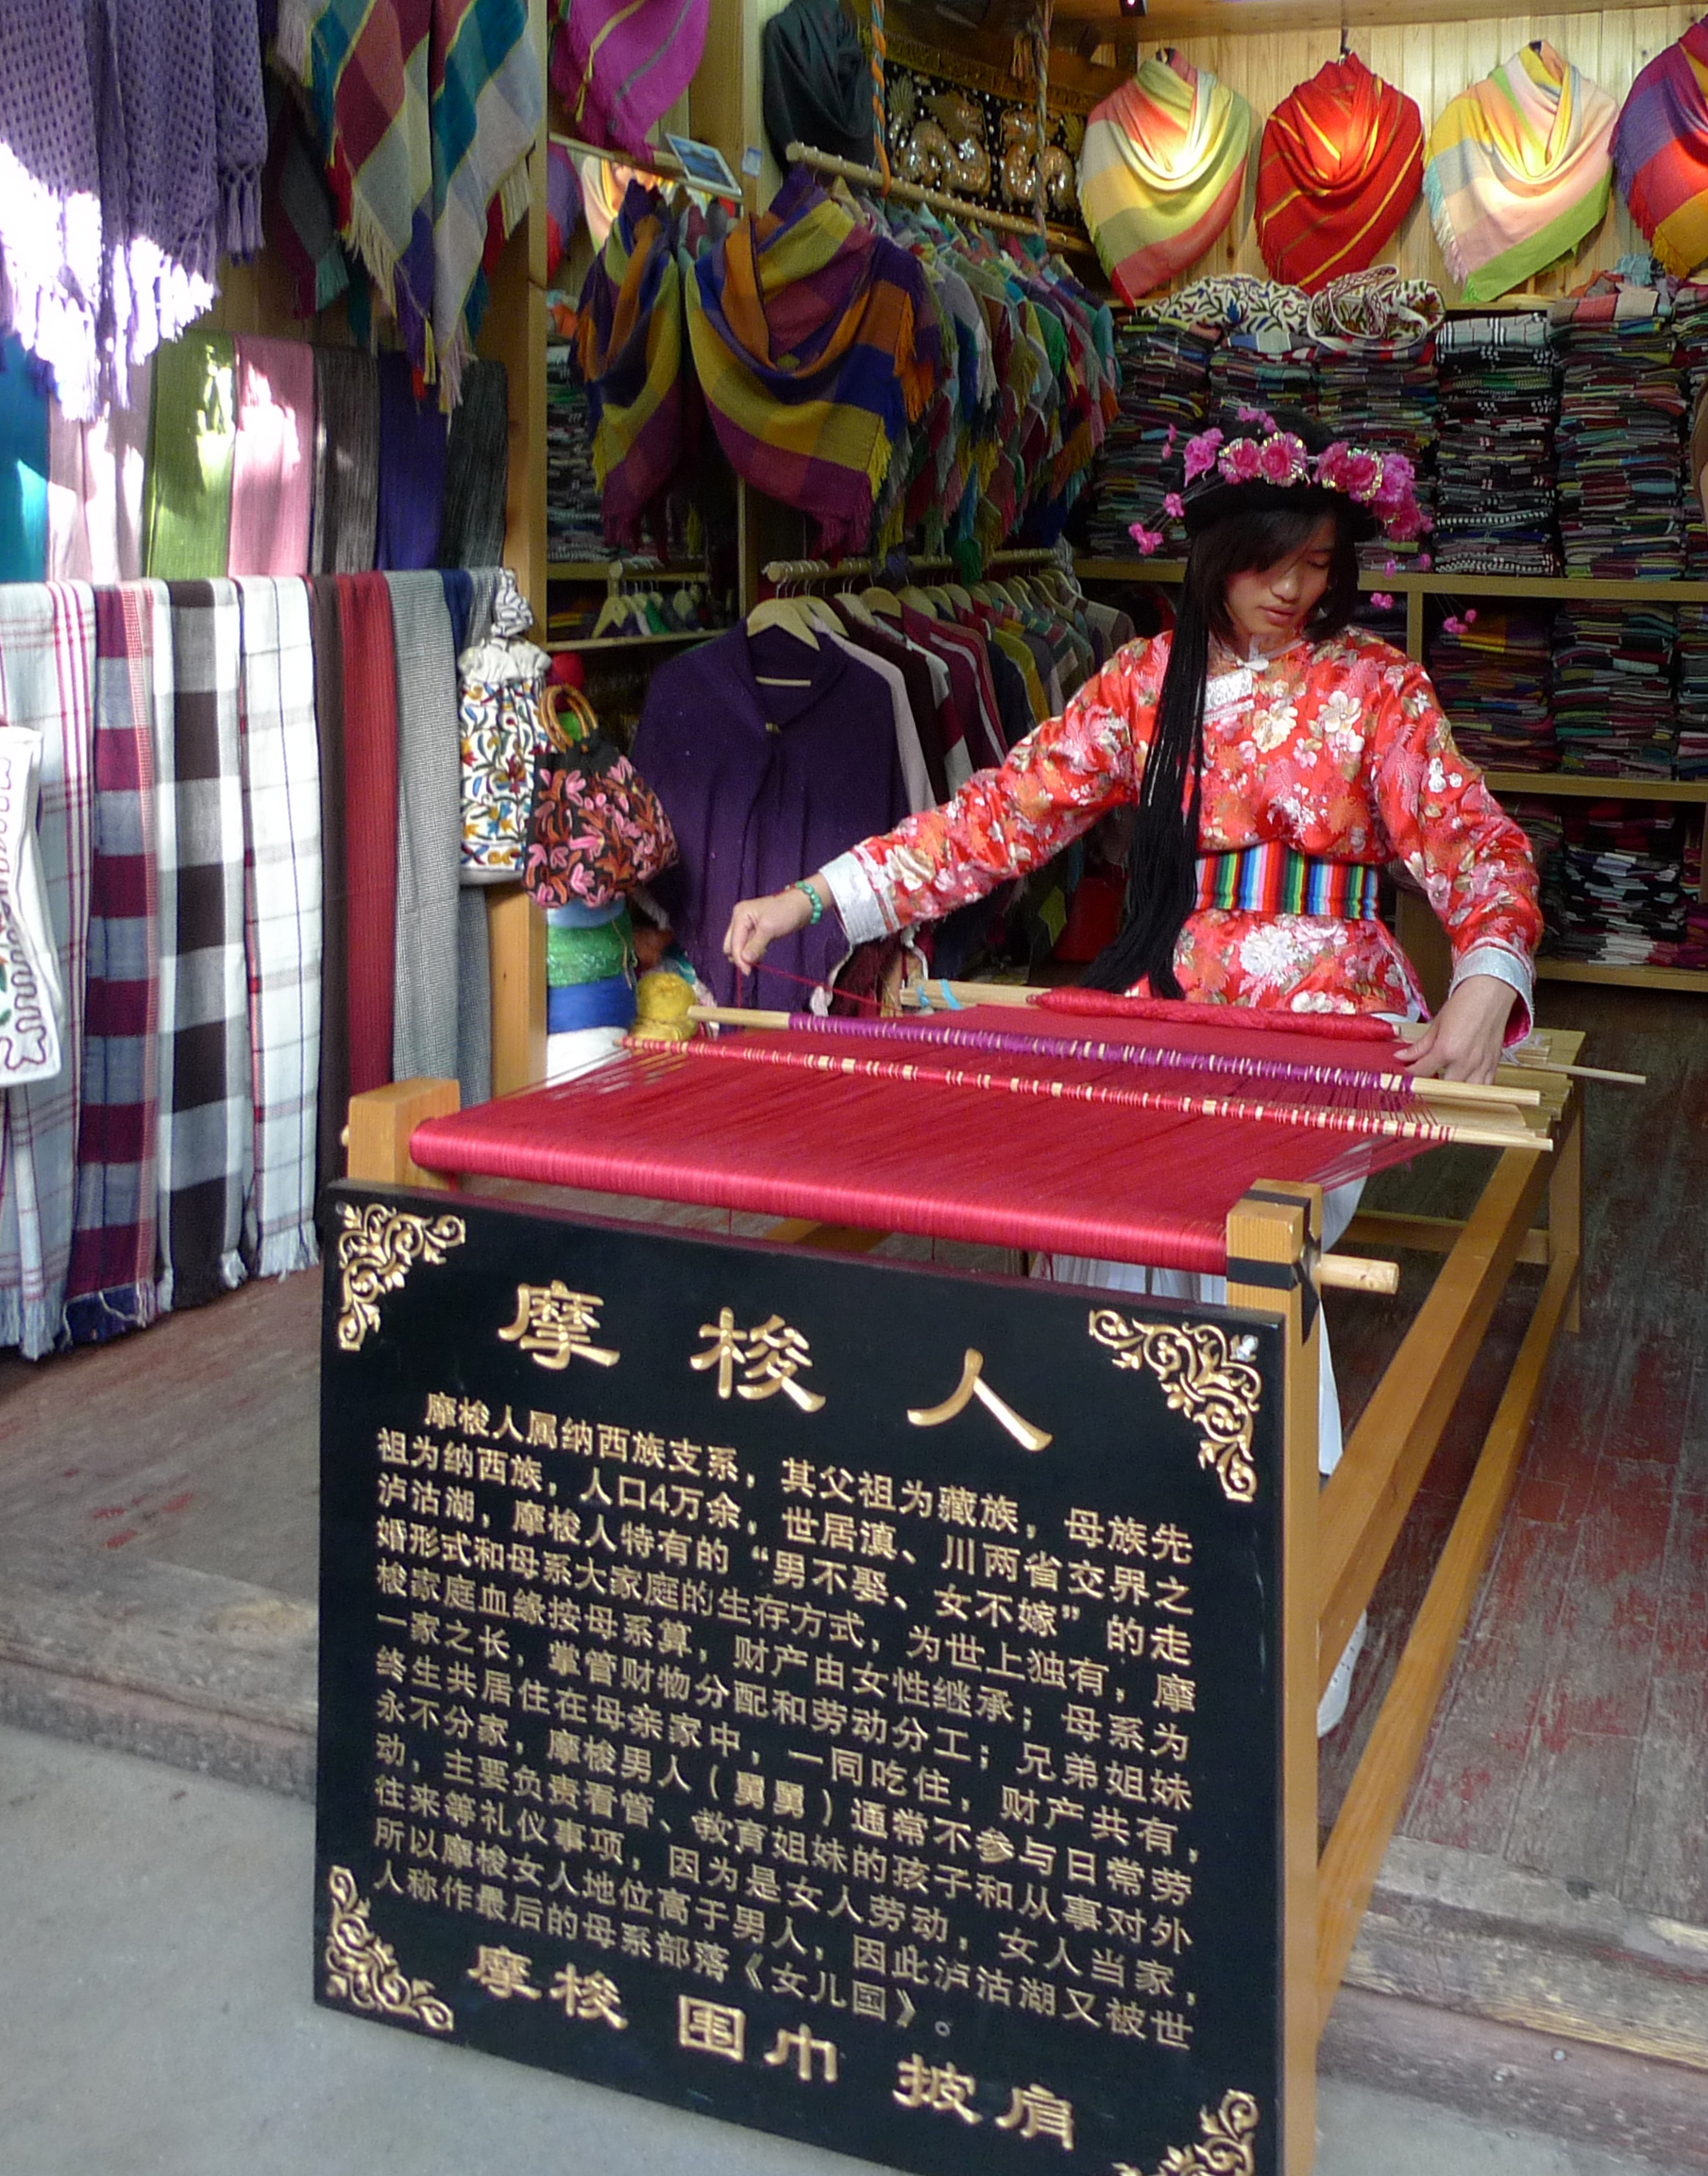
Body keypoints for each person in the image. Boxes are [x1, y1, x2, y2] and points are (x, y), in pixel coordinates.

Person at [720, 412, 1543, 1727]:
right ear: (1214, 553)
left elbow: (1464, 832)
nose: (1298, 589)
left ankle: (1292, 1588)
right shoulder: (1139, 685)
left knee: (1249, 1261)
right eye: (1273, 561)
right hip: (1168, 1012)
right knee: (1103, 1236)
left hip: (1325, 1018)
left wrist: (1485, 972)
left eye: (1322, 564)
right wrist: (821, 895)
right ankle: (1117, 1543)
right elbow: (999, 814)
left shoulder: (1377, 689)